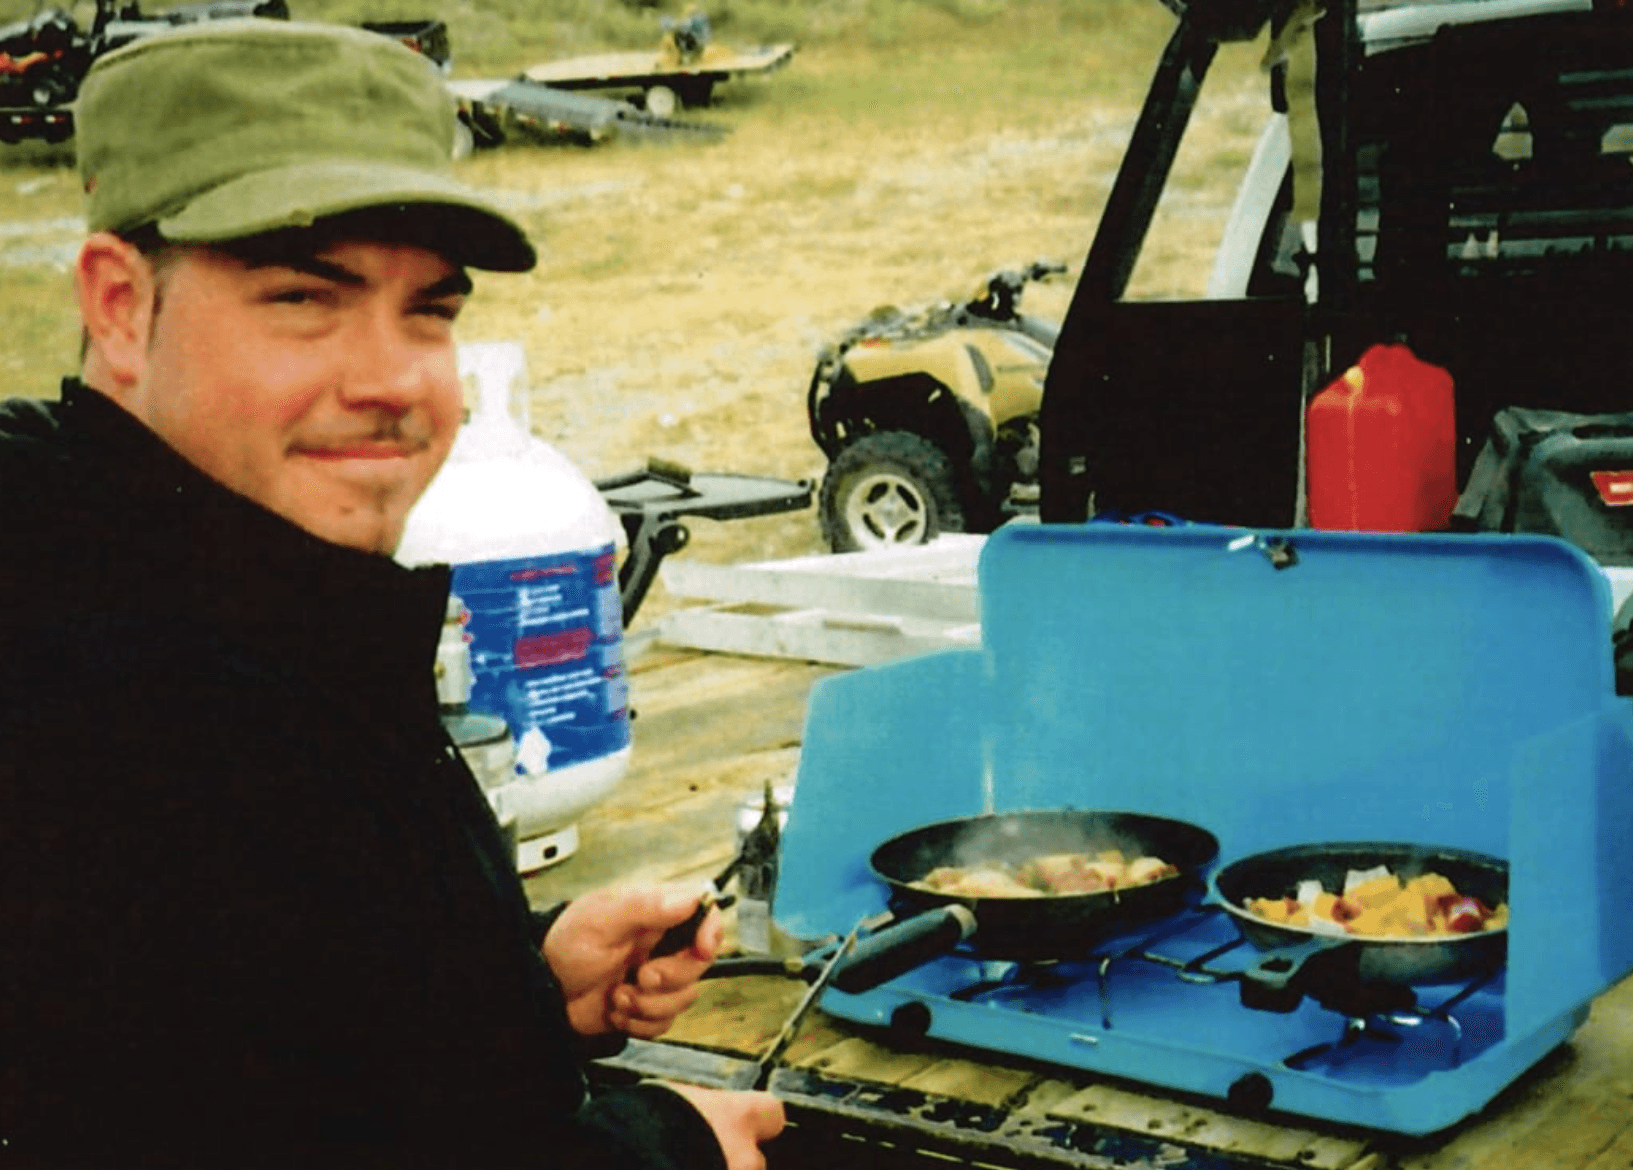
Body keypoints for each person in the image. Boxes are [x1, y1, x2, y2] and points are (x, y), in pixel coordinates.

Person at [0, 19, 784, 1170]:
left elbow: (257, 1034)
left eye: (430, 312)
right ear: (121, 307)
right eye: (303, 300)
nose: (392, 385)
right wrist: (666, 1148)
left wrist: (516, 985)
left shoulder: (236, 583)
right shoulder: (95, 686)